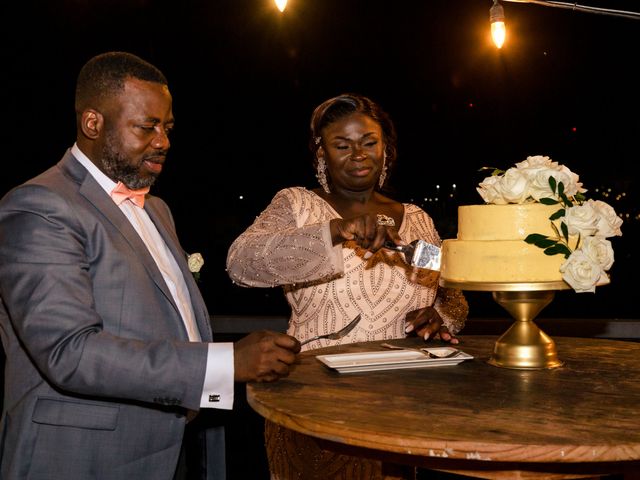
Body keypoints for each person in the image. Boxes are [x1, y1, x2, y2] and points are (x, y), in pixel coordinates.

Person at [0, 51, 300, 480]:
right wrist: (225, 363)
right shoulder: (40, 206)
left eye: (168, 127)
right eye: (147, 127)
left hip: (168, 446)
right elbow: (70, 352)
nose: (163, 141)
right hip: (81, 456)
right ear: (92, 123)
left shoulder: (157, 209)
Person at [226, 93, 469, 479]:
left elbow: (453, 293)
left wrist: (438, 315)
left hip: (406, 404)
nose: (358, 154)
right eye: (342, 145)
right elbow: (241, 263)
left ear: (385, 149)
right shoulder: (297, 205)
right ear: (321, 153)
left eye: (369, 142)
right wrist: (335, 232)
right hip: (316, 399)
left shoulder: (418, 220)